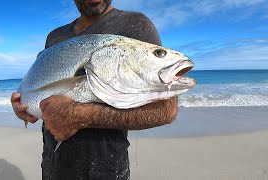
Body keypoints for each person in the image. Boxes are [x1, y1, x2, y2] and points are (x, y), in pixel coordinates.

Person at [11, 0, 178, 179]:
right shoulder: (54, 37)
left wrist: (81, 115)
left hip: (106, 171)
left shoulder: (136, 25)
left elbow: (166, 109)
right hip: (53, 166)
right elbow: (39, 91)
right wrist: (23, 106)